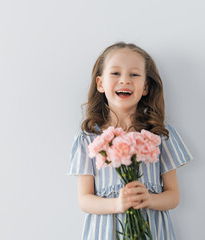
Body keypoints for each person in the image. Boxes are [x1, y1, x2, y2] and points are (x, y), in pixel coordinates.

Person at [66, 41, 194, 240]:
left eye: (134, 75)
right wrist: (117, 204)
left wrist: (149, 199)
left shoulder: (160, 135)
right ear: (100, 84)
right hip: (105, 232)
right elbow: (85, 200)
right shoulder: (88, 139)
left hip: (152, 231)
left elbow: (173, 196)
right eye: (115, 73)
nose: (124, 80)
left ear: (145, 87)